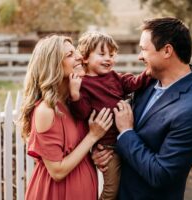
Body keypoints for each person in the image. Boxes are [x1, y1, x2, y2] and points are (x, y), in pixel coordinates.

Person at [93, 17, 192, 200]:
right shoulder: (148, 82)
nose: (139, 56)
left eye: (144, 49)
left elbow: (161, 174)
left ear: (167, 50)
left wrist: (126, 133)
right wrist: (102, 151)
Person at [19, 35, 113, 200]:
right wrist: (92, 136)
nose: (79, 57)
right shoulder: (46, 111)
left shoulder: (75, 102)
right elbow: (57, 171)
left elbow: (77, 147)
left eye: (75, 51)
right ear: (53, 66)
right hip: (56, 193)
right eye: (70, 55)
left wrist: (96, 153)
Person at [68, 31, 150, 200]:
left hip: (126, 140)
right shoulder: (84, 84)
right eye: (102, 54)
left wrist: (148, 72)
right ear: (85, 58)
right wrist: (75, 95)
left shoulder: (115, 77)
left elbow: (133, 83)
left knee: (128, 185)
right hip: (107, 149)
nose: (108, 59)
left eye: (112, 55)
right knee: (111, 190)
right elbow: (82, 112)